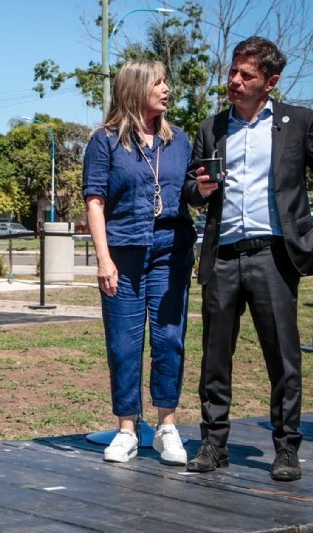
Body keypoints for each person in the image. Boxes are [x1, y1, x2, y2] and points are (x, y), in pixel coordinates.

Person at [183, 36, 313, 481]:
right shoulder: (212, 128)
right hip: (222, 256)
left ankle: (286, 449)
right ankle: (213, 444)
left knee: (283, 359)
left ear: (271, 82)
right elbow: (190, 190)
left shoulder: (298, 122)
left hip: (275, 256)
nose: (234, 81)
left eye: (246, 75)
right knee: (215, 357)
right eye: (232, 71)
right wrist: (200, 190)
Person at [82, 59, 196, 465]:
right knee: (124, 345)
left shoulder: (179, 140)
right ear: (135, 90)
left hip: (171, 251)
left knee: (169, 340)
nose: (166, 89)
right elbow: (94, 201)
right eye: (158, 83)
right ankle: (127, 430)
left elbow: (192, 194)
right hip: (123, 254)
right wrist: (103, 260)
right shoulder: (105, 141)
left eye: (166, 81)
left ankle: (167, 427)